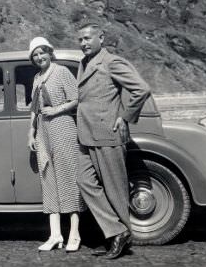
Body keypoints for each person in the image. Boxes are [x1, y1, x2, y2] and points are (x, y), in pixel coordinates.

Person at [75, 23, 153, 260]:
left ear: (101, 37)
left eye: (88, 38)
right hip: (87, 134)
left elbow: (142, 89)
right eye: (80, 40)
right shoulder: (84, 63)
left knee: (115, 189)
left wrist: (125, 117)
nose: (83, 43)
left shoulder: (112, 62)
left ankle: (120, 237)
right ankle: (116, 230)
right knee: (84, 181)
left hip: (107, 133)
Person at [26, 36, 84, 252]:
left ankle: (74, 234)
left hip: (63, 127)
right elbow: (34, 108)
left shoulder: (61, 72)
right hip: (43, 130)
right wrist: (31, 132)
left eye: (42, 52)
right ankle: (55, 234)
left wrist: (57, 109)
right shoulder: (37, 78)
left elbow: (76, 98)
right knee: (48, 177)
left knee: (68, 178)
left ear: (50, 52)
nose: (40, 57)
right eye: (35, 54)